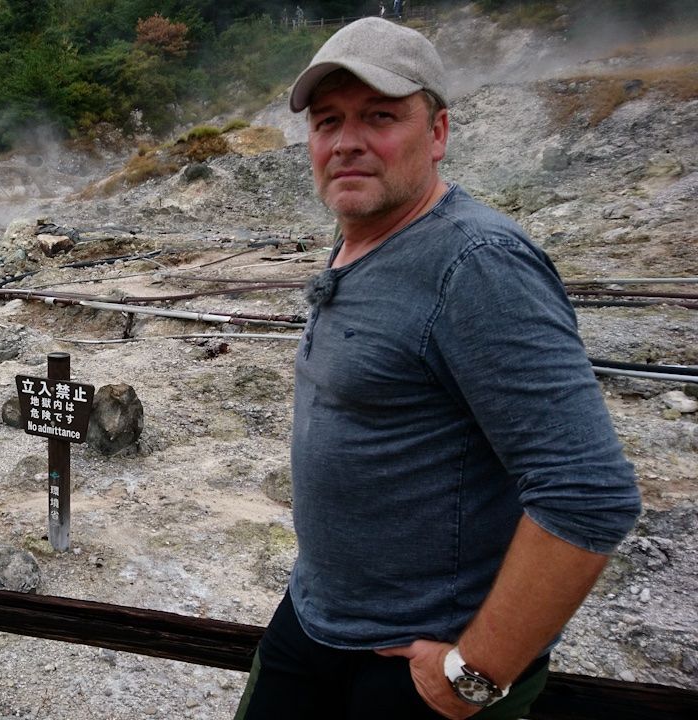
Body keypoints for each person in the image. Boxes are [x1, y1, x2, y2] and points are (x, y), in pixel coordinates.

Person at [233, 17, 641, 720]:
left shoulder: (476, 264)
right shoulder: (362, 239)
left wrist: (475, 672)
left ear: (439, 132)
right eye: (328, 121)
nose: (348, 141)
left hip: (419, 660)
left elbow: (588, 493)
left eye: (380, 116)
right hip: (319, 619)